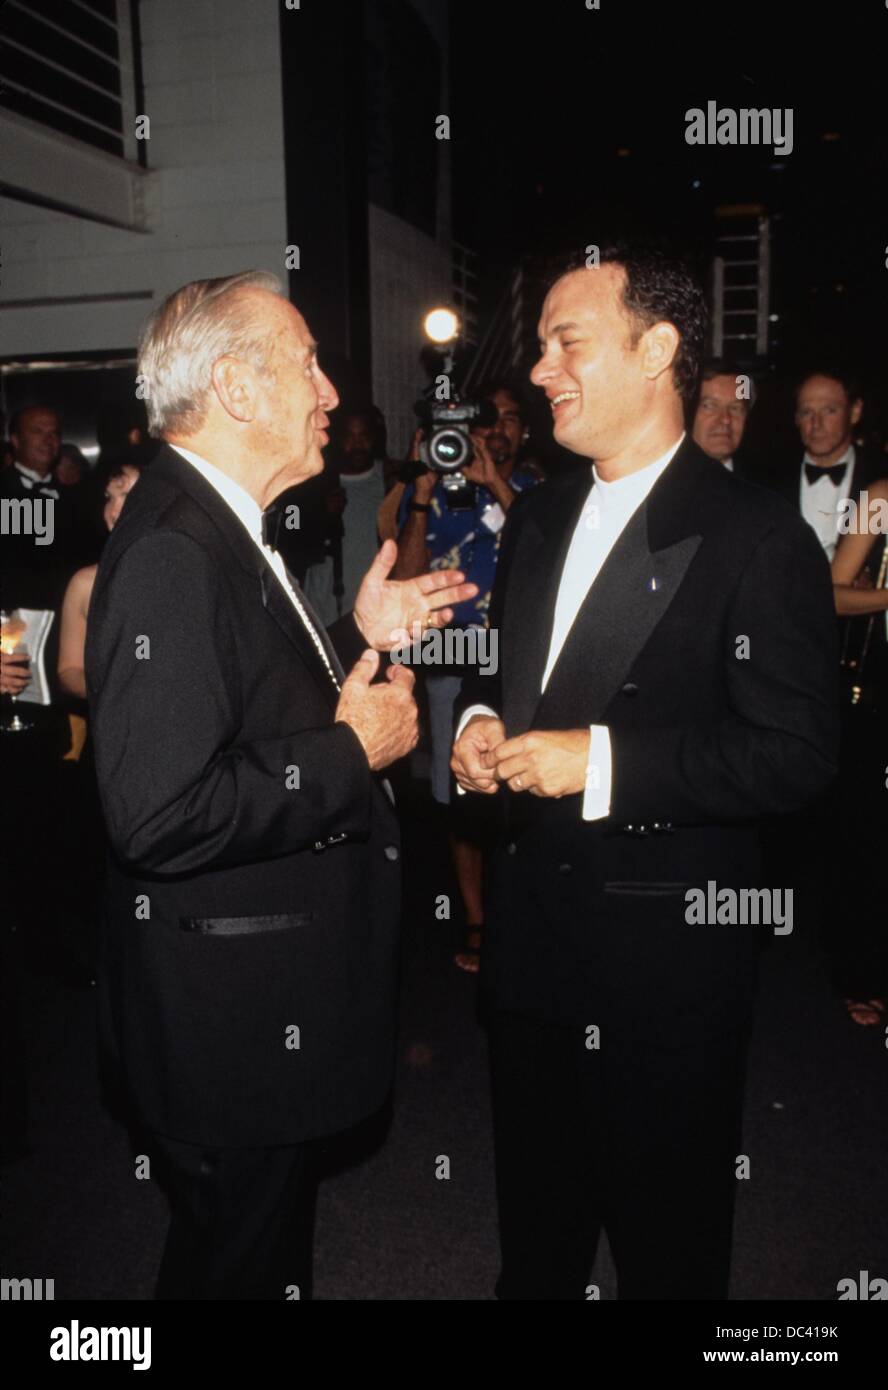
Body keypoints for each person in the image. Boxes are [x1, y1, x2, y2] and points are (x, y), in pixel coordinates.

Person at [451, 238, 840, 1300]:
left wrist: (605, 760)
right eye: (538, 348)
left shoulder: (755, 536)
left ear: (658, 347)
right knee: (537, 1243)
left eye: (565, 342)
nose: (539, 371)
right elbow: (510, 665)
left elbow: (800, 754)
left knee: (668, 1249)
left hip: (665, 968)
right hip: (530, 953)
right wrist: (483, 719)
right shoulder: (535, 513)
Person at [85, 270, 475, 1300]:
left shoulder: (213, 521)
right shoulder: (176, 547)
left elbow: (240, 701)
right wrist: (354, 753)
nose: (331, 393)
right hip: (231, 1028)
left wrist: (358, 634)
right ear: (235, 387)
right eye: (307, 362)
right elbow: (158, 812)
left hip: (250, 1013)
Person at [394, 384, 542, 972]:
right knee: (461, 795)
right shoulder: (431, 488)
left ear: (524, 432)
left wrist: (493, 485)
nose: (496, 431)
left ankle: (524, 917)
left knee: (524, 790)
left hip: (520, 656)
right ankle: (477, 920)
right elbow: (405, 581)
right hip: (453, 654)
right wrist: (422, 491)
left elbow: (540, 544)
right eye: (487, 421)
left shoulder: (536, 494)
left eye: (510, 420)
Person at [826, 477, 887, 1027]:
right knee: (871, 839)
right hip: (879, 696)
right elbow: (832, 591)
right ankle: (866, 975)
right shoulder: (880, 500)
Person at [767, 370, 882, 560]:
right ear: (796, 418)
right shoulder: (767, 481)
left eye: (829, 410)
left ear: (854, 412)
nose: (816, 424)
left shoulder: (879, 477)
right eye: (806, 412)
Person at [690, 359, 754, 477]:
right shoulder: (662, 483)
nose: (726, 419)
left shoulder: (766, 488)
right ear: (688, 412)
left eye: (735, 408)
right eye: (710, 406)